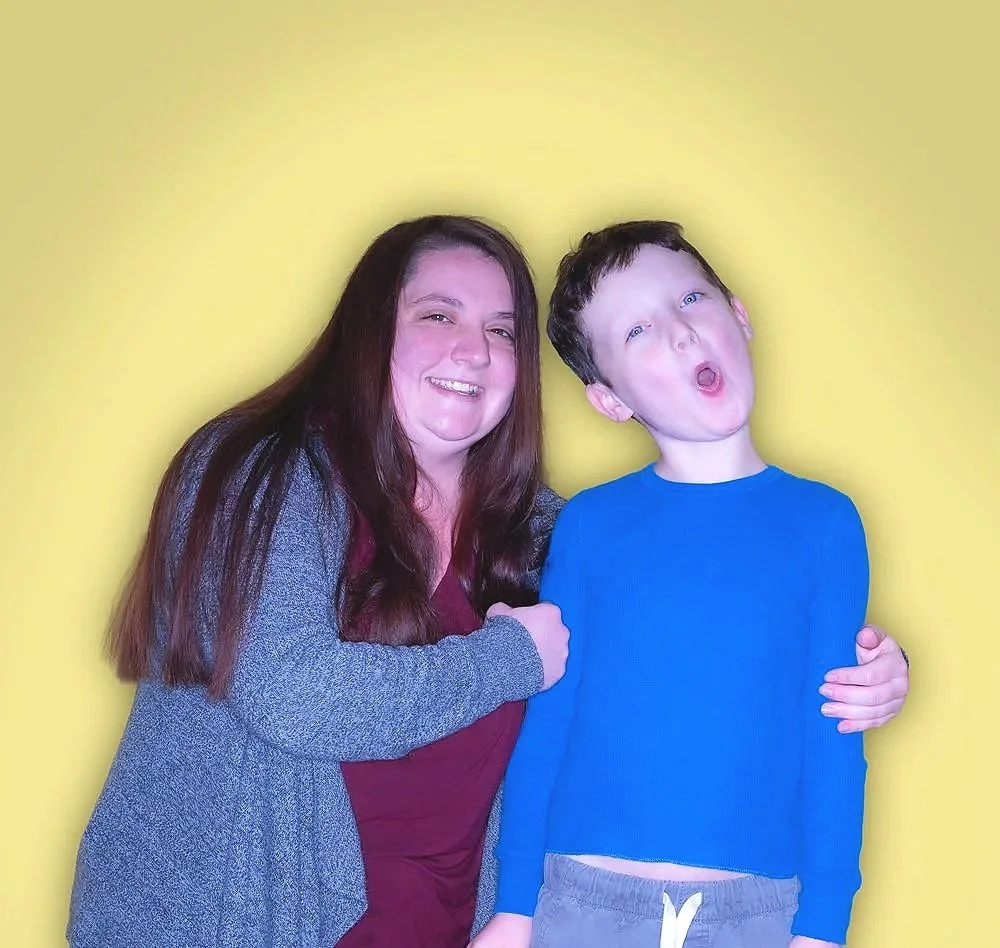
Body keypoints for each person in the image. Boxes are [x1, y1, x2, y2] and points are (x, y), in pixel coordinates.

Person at [68, 215, 908, 948]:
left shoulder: (542, 529)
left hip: (450, 928)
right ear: (371, 333)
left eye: (503, 331)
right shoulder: (263, 469)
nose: (474, 349)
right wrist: (508, 656)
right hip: (244, 920)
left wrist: (866, 672)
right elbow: (297, 692)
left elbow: (675, 662)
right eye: (439, 315)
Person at [474, 220, 899, 948]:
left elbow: (834, 735)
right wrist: (516, 907)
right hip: (581, 898)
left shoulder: (826, 522)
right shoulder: (592, 524)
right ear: (609, 399)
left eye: (691, 298)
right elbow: (550, 717)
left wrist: (823, 929)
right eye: (637, 330)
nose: (679, 333)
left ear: (738, 314)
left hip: (759, 912)